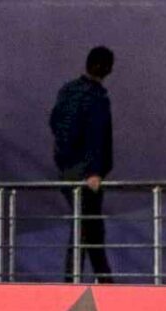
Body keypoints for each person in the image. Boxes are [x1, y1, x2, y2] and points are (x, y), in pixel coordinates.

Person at [50, 46, 114, 283]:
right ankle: (88, 280)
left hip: (67, 170)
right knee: (88, 227)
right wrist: (94, 170)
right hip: (87, 173)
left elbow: (55, 123)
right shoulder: (95, 97)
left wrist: (64, 159)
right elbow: (97, 136)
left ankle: (97, 279)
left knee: (86, 226)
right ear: (101, 66)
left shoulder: (67, 91)